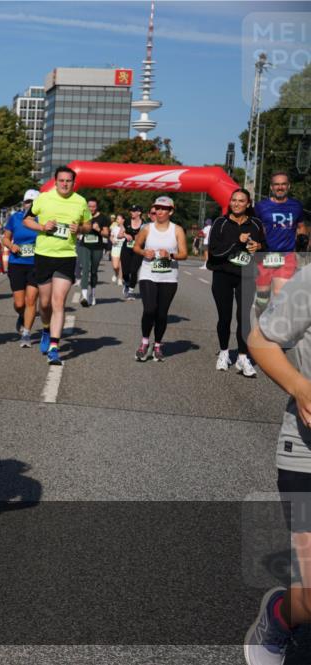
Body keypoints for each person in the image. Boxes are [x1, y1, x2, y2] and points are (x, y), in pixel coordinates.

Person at [245, 264, 311, 665]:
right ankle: (280, 616)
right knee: (308, 602)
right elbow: (261, 339)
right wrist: (299, 386)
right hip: (306, 455)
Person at [23, 166, 92, 366]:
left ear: (73, 183)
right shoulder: (43, 199)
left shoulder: (80, 201)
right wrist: (42, 227)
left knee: (59, 302)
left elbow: (88, 225)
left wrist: (80, 228)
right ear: (55, 181)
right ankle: (46, 328)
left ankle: (54, 347)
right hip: (44, 255)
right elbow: (27, 220)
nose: (65, 184)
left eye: (68, 181)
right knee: (44, 304)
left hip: (66, 256)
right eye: (61, 180)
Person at [207, 188, 266, 377]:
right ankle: (224, 353)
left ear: (248, 204)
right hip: (223, 274)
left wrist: (259, 246)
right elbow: (214, 251)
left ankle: (242, 356)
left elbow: (265, 249)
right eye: (234, 200)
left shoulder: (256, 224)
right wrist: (236, 242)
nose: (236, 204)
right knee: (224, 317)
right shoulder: (220, 223)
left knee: (244, 317)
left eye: (241, 201)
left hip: (246, 275)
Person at [132, 196, 188, 362]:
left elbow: (184, 254)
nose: (160, 211)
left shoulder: (177, 230)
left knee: (162, 314)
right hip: (148, 274)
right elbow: (136, 247)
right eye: (157, 208)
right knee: (149, 309)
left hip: (169, 277)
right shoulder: (147, 228)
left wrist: (170, 255)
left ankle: (157, 345)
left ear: (171, 211)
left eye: (164, 209)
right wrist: (144, 252)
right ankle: (144, 343)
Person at [254, 172, 306, 308]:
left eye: (283, 184)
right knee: (262, 299)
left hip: (286, 255)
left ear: (289, 186)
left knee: (280, 294)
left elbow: (301, 226)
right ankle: (261, 319)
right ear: (271, 187)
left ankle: (276, 319)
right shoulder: (260, 206)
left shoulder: (296, 206)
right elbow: (253, 227)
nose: (280, 187)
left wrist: (302, 240)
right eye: (276, 184)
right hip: (264, 255)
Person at [2, 189, 41, 347]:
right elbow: (5, 238)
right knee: (19, 304)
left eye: (33, 202)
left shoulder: (43, 220)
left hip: (36, 264)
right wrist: (11, 246)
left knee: (31, 300)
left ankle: (26, 333)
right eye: (27, 202)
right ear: (23, 203)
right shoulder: (15, 218)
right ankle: (21, 315)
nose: (29, 205)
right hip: (17, 263)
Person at [77, 197, 109, 307]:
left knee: (94, 271)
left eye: (94, 206)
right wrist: (79, 231)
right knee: (85, 268)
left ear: (97, 206)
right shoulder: (82, 216)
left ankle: (93, 294)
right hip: (84, 246)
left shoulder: (103, 218)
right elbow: (77, 229)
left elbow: (106, 234)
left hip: (97, 247)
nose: (91, 208)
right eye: (89, 206)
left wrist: (98, 229)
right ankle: (84, 296)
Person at [120, 205, 146, 300]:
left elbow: (147, 237)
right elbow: (119, 235)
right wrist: (125, 235)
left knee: (134, 270)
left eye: (134, 211)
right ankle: (127, 283)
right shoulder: (126, 222)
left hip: (138, 249)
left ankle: (131, 291)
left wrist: (139, 238)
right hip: (126, 248)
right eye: (131, 210)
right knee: (125, 271)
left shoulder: (144, 224)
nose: (131, 212)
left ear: (139, 212)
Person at [110, 214, 126, 285]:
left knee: (121, 264)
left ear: (123, 220)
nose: (117, 220)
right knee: (115, 266)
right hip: (115, 247)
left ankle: (120, 279)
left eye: (118, 219)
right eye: (117, 219)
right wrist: (112, 240)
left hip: (123, 247)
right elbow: (111, 236)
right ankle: (116, 273)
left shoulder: (126, 228)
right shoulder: (114, 227)